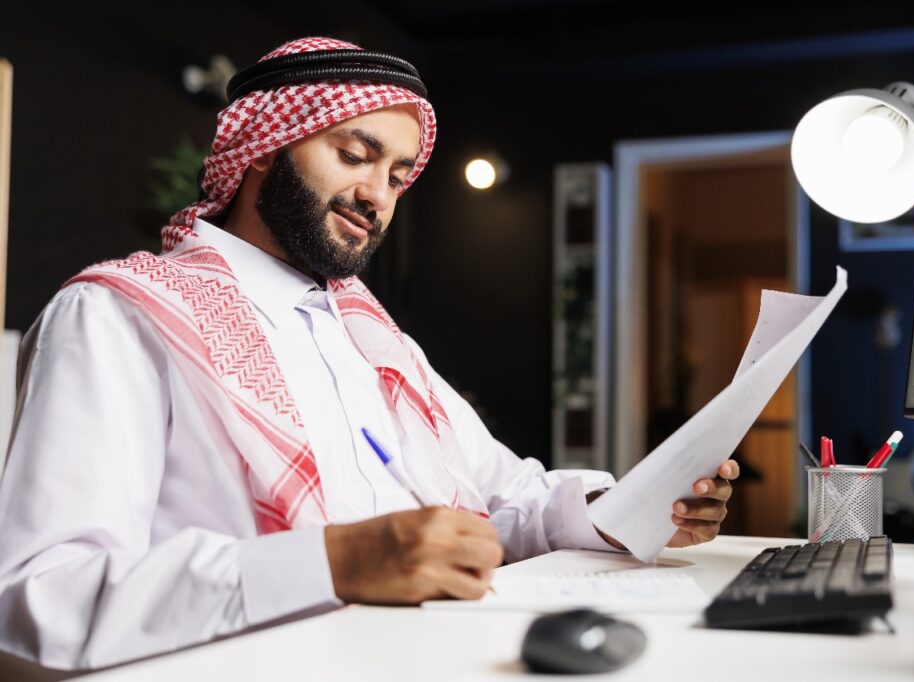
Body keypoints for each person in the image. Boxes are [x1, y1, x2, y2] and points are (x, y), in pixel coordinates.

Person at [0, 37, 739, 671]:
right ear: (263, 148)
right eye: (355, 155)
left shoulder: (372, 336)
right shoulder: (117, 315)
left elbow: (506, 499)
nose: (377, 195)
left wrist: (625, 512)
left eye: (395, 176)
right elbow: (38, 598)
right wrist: (336, 563)